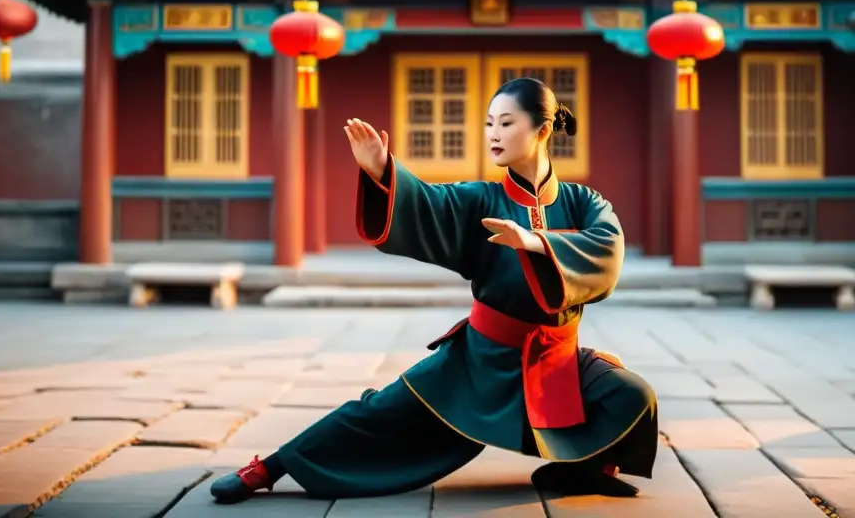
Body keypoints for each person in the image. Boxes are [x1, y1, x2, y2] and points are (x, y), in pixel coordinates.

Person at [210, 77, 658, 504]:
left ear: (542, 130)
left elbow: (606, 250)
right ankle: (270, 468)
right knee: (377, 412)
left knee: (633, 395)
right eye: (489, 123)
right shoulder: (479, 200)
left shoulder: (584, 202)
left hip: (555, 360)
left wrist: (535, 241)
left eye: (506, 123)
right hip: (480, 362)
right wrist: (383, 171)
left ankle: (576, 469)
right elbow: (427, 204)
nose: (493, 134)